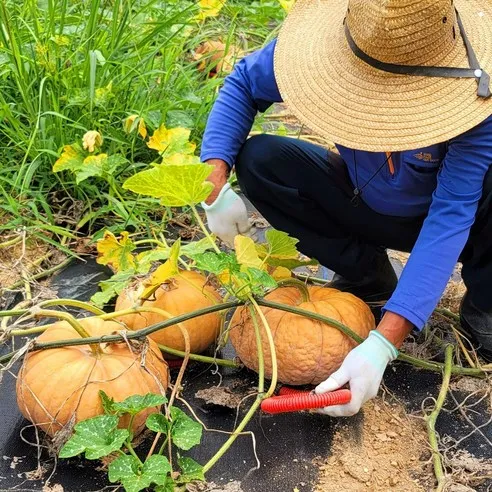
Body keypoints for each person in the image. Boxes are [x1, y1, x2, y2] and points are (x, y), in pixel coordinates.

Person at [200, 0, 492, 417]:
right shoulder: (326, 52)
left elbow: (450, 217)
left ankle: (486, 300)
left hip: (464, 221)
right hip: (365, 201)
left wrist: (383, 342)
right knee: (261, 159)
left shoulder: (477, 98)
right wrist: (213, 181)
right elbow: (244, 82)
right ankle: (368, 275)